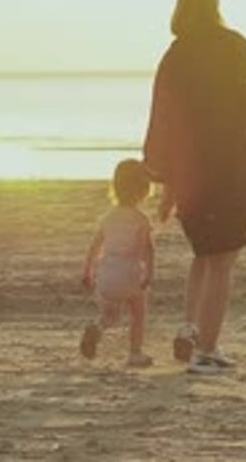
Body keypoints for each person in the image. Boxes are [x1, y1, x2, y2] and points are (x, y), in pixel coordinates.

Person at [143, 0, 246, 375]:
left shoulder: (174, 56)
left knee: (204, 254)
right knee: (223, 259)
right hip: (231, 165)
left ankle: (190, 328)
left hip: (191, 171)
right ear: (215, 8)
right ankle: (207, 349)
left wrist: (161, 171)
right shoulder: (233, 46)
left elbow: (161, 114)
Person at [80, 158, 155, 368]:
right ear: (145, 189)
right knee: (137, 313)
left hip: (106, 274)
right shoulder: (141, 220)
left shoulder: (108, 217)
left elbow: (94, 247)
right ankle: (135, 353)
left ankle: (97, 327)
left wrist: (88, 272)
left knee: (110, 315)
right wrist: (148, 274)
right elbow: (147, 250)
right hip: (128, 273)